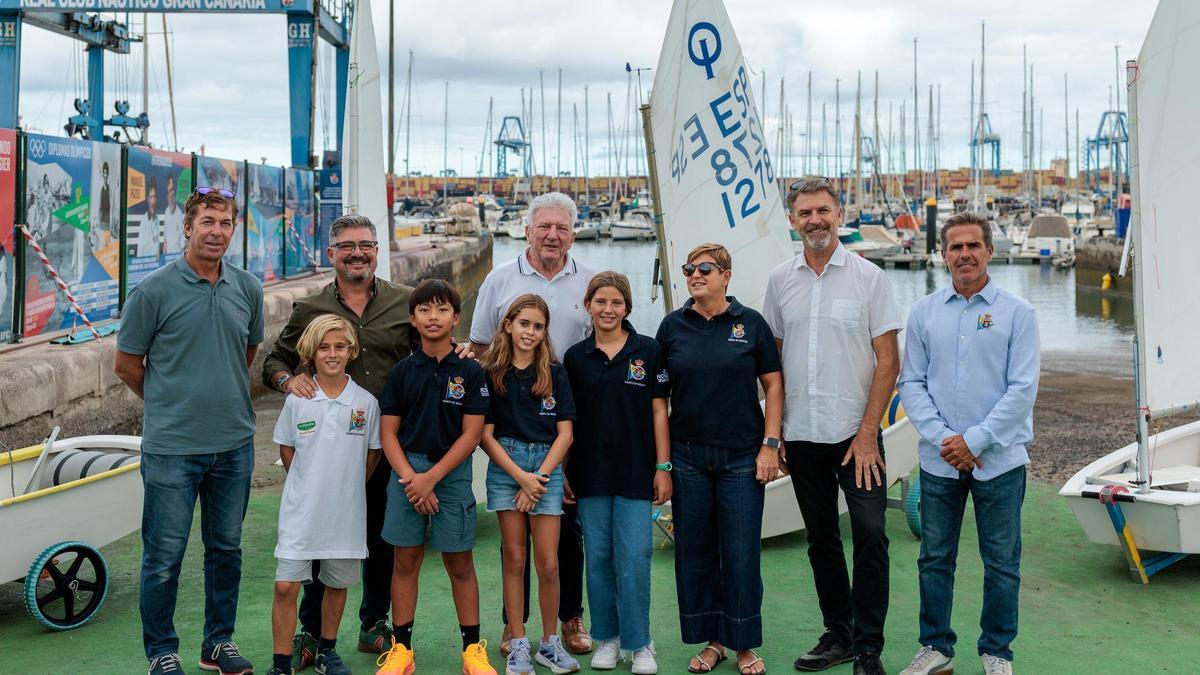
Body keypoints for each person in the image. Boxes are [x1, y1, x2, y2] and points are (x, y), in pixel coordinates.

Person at [114, 187, 263, 675]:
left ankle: (217, 643)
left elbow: (246, 355)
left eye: (225, 223)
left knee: (226, 552)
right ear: (188, 227)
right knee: (163, 558)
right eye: (207, 222)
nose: (217, 231)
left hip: (235, 444)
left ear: (233, 229)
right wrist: (168, 402)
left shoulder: (248, 287)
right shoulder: (153, 291)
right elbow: (126, 365)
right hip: (173, 449)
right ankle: (162, 652)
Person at [262, 213, 420, 669]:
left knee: (380, 538)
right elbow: (276, 357)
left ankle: (373, 623)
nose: (357, 253)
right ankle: (310, 634)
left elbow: (428, 349)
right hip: (331, 447)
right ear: (331, 254)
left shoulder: (403, 301)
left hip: (387, 441)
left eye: (366, 245)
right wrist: (286, 380)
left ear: (376, 250)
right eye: (347, 245)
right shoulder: (310, 307)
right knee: (320, 534)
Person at [763, 178, 901, 675]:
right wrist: (772, 436)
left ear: (838, 214)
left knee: (870, 533)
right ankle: (838, 635)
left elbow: (888, 361)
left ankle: (869, 648)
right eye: (805, 213)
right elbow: (772, 366)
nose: (815, 220)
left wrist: (869, 433)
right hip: (802, 436)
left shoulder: (870, 278)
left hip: (855, 435)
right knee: (820, 538)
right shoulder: (780, 281)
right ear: (793, 220)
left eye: (823, 210)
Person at [896, 212, 1040, 675]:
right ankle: (935, 648)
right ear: (943, 255)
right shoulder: (923, 313)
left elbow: (1022, 389)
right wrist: (946, 440)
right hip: (940, 462)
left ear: (989, 251)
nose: (964, 254)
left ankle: (997, 651)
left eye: (973, 245)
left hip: (1000, 461)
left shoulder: (1019, 313)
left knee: (1001, 563)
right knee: (934, 559)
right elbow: (911, 383)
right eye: (955, 247)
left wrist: (974, 440)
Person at [470, 191, 596, 656]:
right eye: (544, 226)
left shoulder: (588, 282)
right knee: (514, 543)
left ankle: (569, 618)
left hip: (568, 424)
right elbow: (481, 347)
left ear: (573, 233)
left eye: (561, 228)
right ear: (527, 229)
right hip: (513, 427)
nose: (552, 235)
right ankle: (513, 626)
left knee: (569, 526)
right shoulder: (500, 280)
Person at [655, 243, 784, 675]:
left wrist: (771, 444)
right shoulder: (672, 326)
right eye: (689, 269)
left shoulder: (750, 324)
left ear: (726, 274)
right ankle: (714, 641)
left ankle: (744, 643)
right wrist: (662, 465)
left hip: (742, 456)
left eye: (704, 268)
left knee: (741, 551)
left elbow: (774, 384)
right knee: (695, 551)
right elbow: (658, 399)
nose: (694, 275)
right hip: (687, 456)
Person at [375, 279, 497, 675]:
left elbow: (472, 434)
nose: (433, 316)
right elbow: (388, 433)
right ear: (412, 319)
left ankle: (472, 650)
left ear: (456, 317)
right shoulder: (402, 372)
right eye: (425, 310)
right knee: (405, 561)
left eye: (442, 309)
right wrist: (413, 477)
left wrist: (433, 478)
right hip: (406, 472)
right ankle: (402, 650)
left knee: (459, 563)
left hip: (452, 472)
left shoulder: (471, 372)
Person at [563, 272, 671, 675]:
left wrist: (663, 467)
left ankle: (640, 642)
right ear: (588, 305)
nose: (608, 310)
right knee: (601, 557)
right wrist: (564, 470)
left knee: (635, 557)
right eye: (600, 302)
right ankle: (607, 638)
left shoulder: (648, 351)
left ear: (627, 307)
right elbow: (567, 421)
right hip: (590, 473)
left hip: (636, 472)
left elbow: (660, 411)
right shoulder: (575, 357)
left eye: (616, 303)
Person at [268, 315, 382, 675]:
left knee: (337, 583)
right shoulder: (298, 399)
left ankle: (326, 651)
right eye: (324, 347)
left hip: (346, 513)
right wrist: (309, 482)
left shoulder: (365, 403)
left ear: (352, 351)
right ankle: (281, 662)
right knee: (286, 586)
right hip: (301, 513)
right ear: (310, 354)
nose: (332, 354)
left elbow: (372, 455)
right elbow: (288, 451)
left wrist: (343, 486)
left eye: (339, 346)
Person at [480, 294, 580, 675]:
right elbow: (485, 436)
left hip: (546, 468)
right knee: (515, 558)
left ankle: (549, 644)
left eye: (538, 326)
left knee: (549, 563)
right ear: (508, 324)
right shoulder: (492, 372)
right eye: (524, 324)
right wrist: (519, 477)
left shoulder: (554, 371)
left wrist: (537, 478)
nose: (531, 332)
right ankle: (518, 642)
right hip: (507, 465)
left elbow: (566, 433)